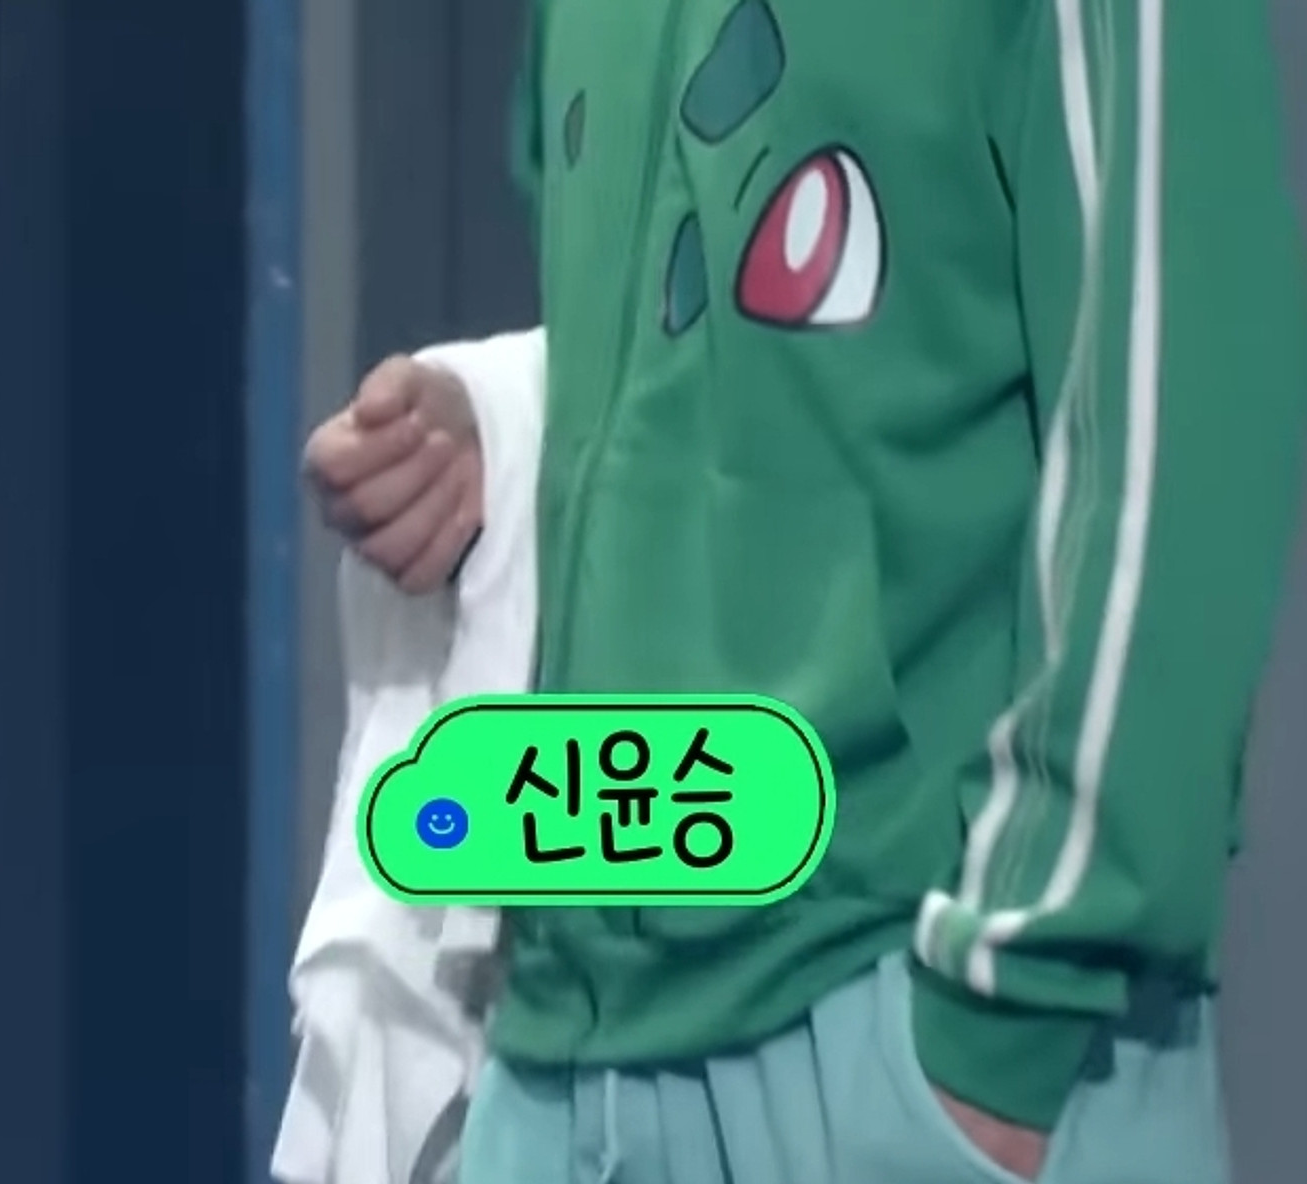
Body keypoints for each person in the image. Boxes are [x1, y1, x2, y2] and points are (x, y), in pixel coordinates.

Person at [303, 2, 1307, 1181]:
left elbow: (1175, 432)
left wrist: (1009, 1017)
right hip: (564, 1056)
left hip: (922, 1037)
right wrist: (510, 436)